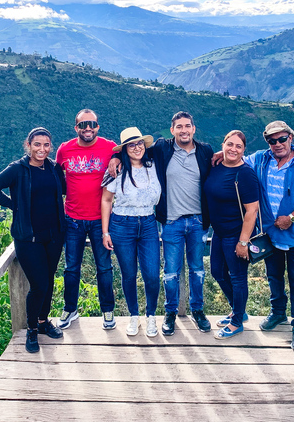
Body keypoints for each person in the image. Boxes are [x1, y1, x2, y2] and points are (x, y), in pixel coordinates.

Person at [109, 111, 214, 336]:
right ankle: (170, 312)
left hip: (198, 221)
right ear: (172, 130)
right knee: (170, 272)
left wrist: (226, 152)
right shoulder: (162, 149)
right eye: (179, 127)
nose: (184, 130)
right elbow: (133, 154)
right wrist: (116, 158)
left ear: (194, 129)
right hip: (171, 221)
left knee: (197, 269)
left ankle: (198, 310)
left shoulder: (205, 151)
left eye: (187, 126)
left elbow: (219, 167)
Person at [0, 127, 66, 354]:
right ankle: (31, 328)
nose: (42, 149)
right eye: (37, 144)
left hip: (54, 234)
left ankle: (42, 322)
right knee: (38, 284)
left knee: (48, 281)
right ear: (28, 145)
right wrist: (15, 205)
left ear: (51, 147)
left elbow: (65, 190)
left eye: (46, 145)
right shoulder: (17, 169)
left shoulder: (53, 168)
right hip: (28, 237)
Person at [245, 121, 294, 351]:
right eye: (271, 140)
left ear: (291, 138)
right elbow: (237, 156)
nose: (277, 144)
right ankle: (278, 313)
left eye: (281, 139)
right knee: (274, 276)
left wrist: (291, 217)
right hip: (271, 233)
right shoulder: (260, 159)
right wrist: (221, 153)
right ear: (267, 141)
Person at [55, 109, 117, 330]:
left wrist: (117, 158)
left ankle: (108, 311)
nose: (88, 128)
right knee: (71, 268)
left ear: (98, 126)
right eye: (83, 125)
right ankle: (70, 309)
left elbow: (132, 153)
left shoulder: (110, 147)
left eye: (92, 124)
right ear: (76, 128)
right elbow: (54, 176)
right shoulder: (64, 150)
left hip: (102, 220)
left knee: (104, 268)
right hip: (72, 219)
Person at [101, 127, 162, 338]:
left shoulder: (154, 165)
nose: (136, 148)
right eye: (131, 145)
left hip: (148, 223)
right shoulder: (116, 171)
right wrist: (105, 232)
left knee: (152, 274)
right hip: (121, 224)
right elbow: (106, 200)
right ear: (124, 149)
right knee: (129, 274)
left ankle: (151, 315)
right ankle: (133, 315)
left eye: (139, 143)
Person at [203, 130, 260, 339]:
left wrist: (243, 242)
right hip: (218, 232)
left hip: (236, 234)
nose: (233, 149)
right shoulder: (217, 166)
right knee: (217, 272)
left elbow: (252, 210)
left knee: (237, 277)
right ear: (223, 144)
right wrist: (221, 154)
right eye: (230, 144)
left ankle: (237, 322)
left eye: (238, 146)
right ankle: (238, 310)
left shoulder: (245, 173)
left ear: (244, 150)